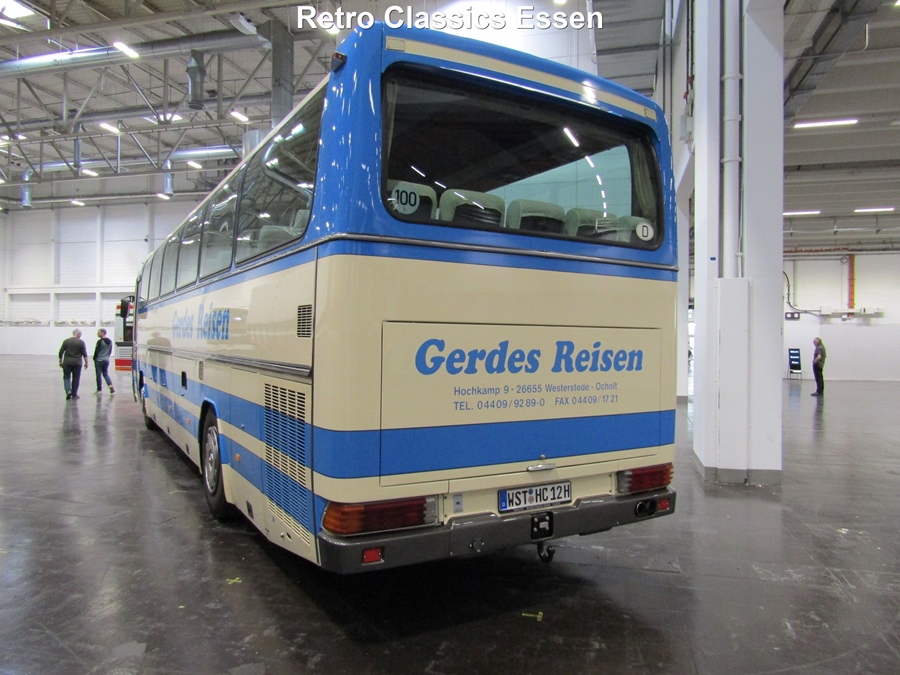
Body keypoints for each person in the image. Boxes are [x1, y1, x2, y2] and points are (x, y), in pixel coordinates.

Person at [58, 329, 89, 400]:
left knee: (66, 377)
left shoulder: (66, 341)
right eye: (80, 334)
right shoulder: (81, 342)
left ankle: (68, 391)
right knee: (76, 378)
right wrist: (86, 363)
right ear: (78, 334)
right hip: (77, 363)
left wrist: (60, 361)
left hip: (67, 362)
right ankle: (74, 394)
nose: (81, 335)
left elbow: (61, 352)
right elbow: (85, 354)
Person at [93, 328, 116, 394]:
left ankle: (99, 389)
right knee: (105, 374)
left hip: (99, 360)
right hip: (106, 360)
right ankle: (110, 386)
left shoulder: (100, 341)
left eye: (98, 332)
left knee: (98, 375)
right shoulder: (110, 341)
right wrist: (107, 356)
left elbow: (96, 351)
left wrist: (94, 358)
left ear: (103, 333)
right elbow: (110, 351)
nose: (97, 334)